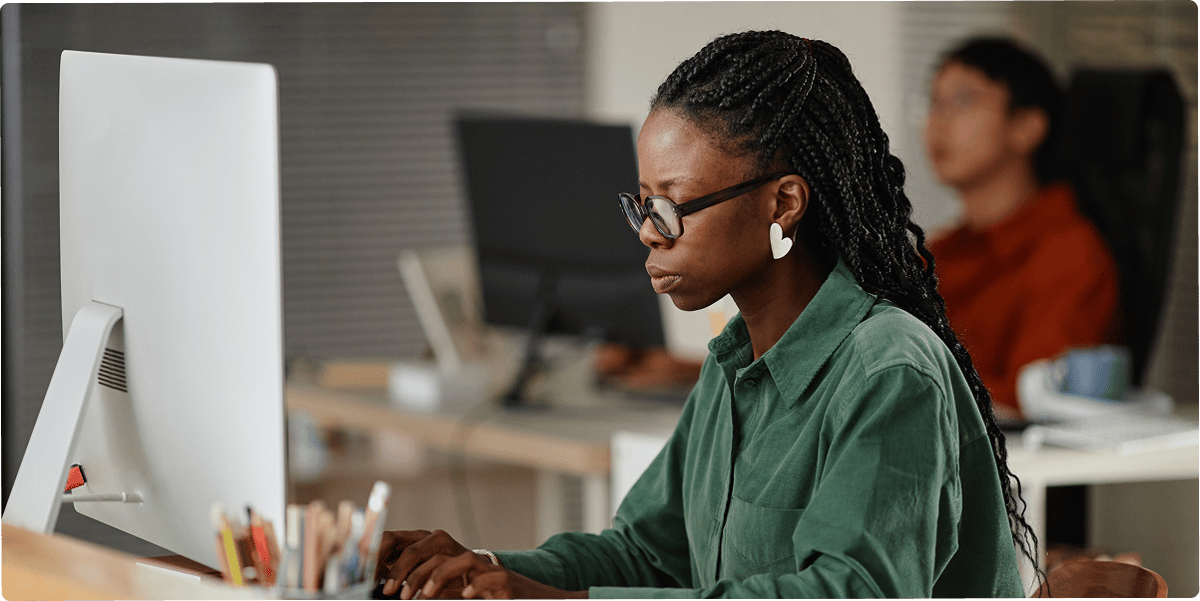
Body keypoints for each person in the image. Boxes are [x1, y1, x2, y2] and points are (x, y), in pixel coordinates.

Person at [374, 31, 1035, 599]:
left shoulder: (889, 369)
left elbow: (845, 592)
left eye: (672, 205)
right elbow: (647, 555)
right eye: (642, 204)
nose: (648, 232)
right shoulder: (734, 365)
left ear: (783, 204)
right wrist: (483, 570)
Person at [923, 37, 1120, 420]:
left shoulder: (1067, 253)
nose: (938, 122)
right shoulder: (941, 251)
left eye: (963, 102)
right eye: (934, 103)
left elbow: (1031, 401)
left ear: (1026, 127)